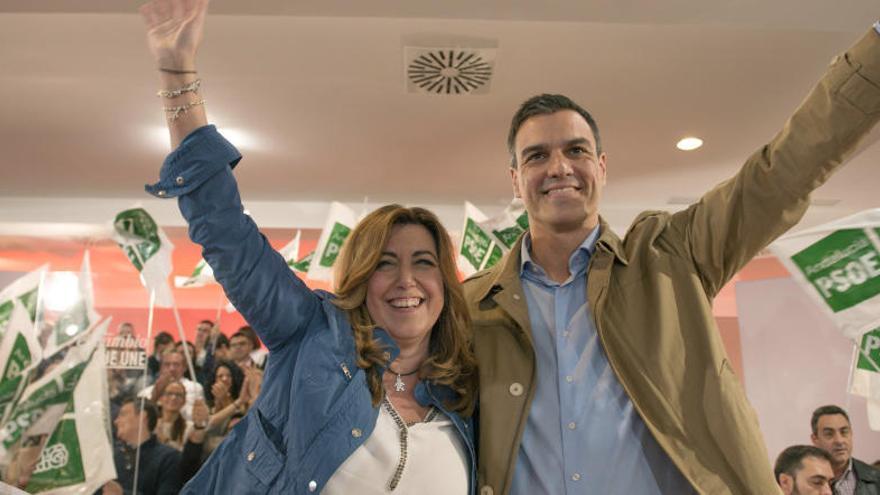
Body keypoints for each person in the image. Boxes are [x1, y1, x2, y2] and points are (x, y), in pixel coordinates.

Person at [462, 24, 880, 495]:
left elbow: (783, 172)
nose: (559, 167)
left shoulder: (672, 255)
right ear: (516, 180)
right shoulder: (471, 305)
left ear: (600, 166)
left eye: (576, 150)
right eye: (537, 156)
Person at [138, 1, 478, 493]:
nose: (407, 280)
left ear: (444, 282)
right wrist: (176, 70)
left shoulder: (465, 398)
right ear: (362, 278)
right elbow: (226, 231)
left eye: (423, 263)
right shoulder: (312, 335)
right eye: (386, 263)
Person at [103, 398, 182, 495]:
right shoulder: (112, 455)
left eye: (123, 414)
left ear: (142, 416)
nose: (116, 421)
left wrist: (122, 493)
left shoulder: (169, 458)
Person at [810, 405, 880, 495]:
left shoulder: (875, 478)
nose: (839, 440)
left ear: (851, 434)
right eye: (829, 434)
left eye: (844, 432)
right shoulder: (805, 481)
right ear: (815, 439)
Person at [140, 348, 205, 420]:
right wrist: (156, 395)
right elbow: (143, 419)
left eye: (176, 364)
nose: (172, 369)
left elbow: (191, 416)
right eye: (167, 364)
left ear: (184, 368)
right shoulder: (145, 392)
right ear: (161, 368)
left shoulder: (195, 388)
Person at [155, 380, 191, 450]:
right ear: (160, 398)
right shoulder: (152, 424)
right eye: (169, 393)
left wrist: (165, 440)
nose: (173, 398)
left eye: (178, 395)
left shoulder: (189, 427)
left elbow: (185, 455)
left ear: (184, 401)